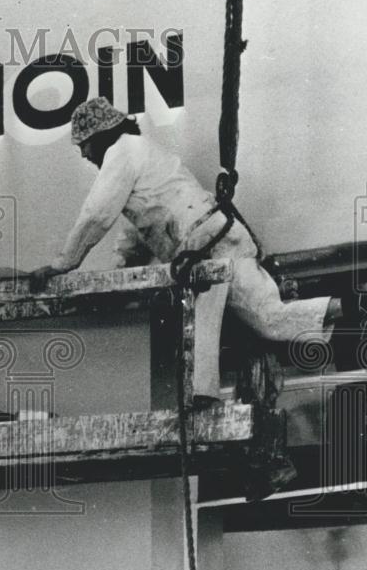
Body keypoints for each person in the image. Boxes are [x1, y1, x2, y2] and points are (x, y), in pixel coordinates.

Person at [33, 96, 342, 406]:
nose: (84, 153)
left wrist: (62, 264)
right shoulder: (144, 154)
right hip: (223, 239)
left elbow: (96, 215)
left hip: (208, 247)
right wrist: (119, 272)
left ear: (98, 136)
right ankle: (350, 307)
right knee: (270, 318)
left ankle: (203, 399)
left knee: (223, 317)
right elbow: (138, 232)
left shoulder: (122, 152)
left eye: (83, 144)